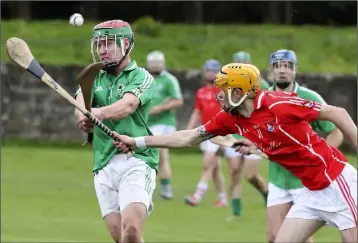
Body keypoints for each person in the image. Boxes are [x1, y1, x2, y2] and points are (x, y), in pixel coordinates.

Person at [113, 63, 357, 243]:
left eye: (223, 89)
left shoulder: (279, 104)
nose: (217, 94)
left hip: (337, 181)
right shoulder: (230, 118)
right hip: (312, 192)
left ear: (239, 92)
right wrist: (137, 142)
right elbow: (187, 136)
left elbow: (338, 113)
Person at [74, 20, 159, 243]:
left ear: (127, 44)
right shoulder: (93, 77)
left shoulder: (140, 76)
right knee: (122, 238)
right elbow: (81, 105)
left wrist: (96, 114)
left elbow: (127, 106)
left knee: (131, 229)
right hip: (103, 164)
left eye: (108, 44)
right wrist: (84, 119)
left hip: (136, 160)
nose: (102, 50)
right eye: (99, 45)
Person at [265, 49, 344, 243]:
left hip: (304, 180)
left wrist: (319, 157)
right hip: (277, 178)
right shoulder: (262, 98)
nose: (282, 70)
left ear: (295, 70)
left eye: (287, 66)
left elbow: (337, 130)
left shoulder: (309, 97)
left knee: (300, 237)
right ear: (271, 71)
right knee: (275, 236)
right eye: (278, 66)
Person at [185, 59, 230, 208]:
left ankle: (197, 196)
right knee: (215, 168)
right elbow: (197, 112)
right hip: (206, 131)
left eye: (214, 70)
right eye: (208, 70)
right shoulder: (201, 92)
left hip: (219, 132)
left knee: (207, 165)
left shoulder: (223, 91)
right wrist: (189, 129)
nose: (211, 73)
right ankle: (223, 199)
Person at [231, 51, 270, 209]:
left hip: (255, 133)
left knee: (251, 175)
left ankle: (268, 195)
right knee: (234, 172)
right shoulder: (229, 83)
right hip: (236, 132)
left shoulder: (262, 84)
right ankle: (236, 212)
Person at [146, 50, 184, 200]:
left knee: (161, 155)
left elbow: (177, 100)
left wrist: (159, 109)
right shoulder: (144, 78)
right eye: (152, 63)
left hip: (164, 123)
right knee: (148, 155)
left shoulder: (169, 79)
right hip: (147, 123)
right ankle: (149, 187)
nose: (155, 66)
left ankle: (166, 189)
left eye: (158, 63)